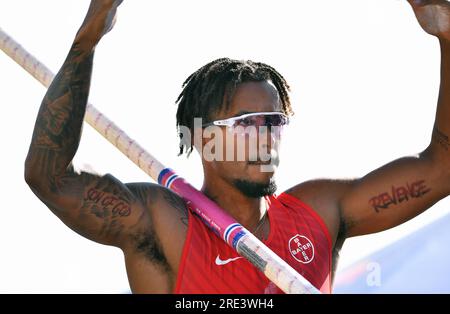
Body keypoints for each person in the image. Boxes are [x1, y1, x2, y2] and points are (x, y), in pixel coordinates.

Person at [24, 0, 450, 294]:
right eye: (247, 123)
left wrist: (448, 39)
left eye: (273, 121)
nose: (266, 135)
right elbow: (50, 177)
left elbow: (442, 168)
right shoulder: (165, 224)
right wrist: (86, 44)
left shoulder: (319, 211)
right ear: (203, 138)